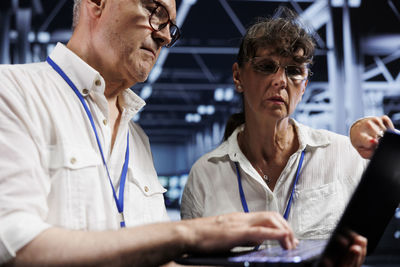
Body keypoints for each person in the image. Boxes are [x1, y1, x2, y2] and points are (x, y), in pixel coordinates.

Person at [0, 0, 300, 266]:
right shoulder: (13, 93)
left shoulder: (137, 140)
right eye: (154, 11)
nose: (166, 35)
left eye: (170, 25)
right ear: (98, 3)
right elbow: (15, 246)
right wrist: (188, 234)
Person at [180, 10, 368, 266]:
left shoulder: (343, 156)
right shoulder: (205, 176)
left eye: (294, 71)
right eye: (266, 67)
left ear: (304, 85)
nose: (280, 81)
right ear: (238, 76)